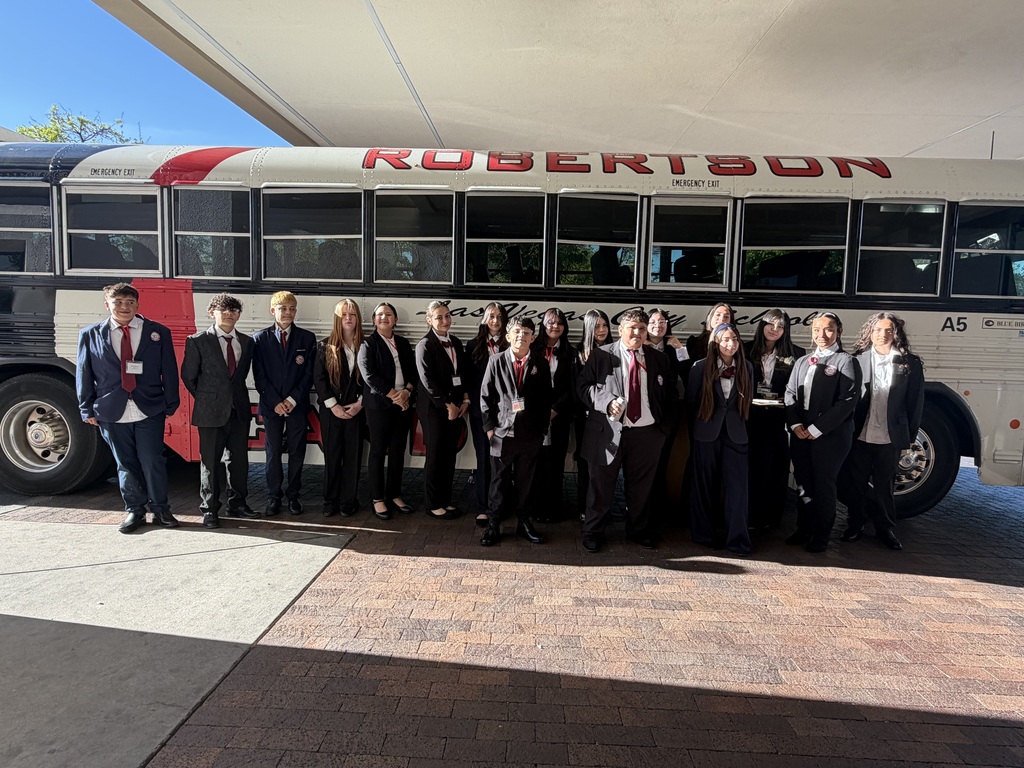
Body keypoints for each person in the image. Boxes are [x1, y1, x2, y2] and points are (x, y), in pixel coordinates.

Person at [76, 282, 180, 533]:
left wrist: (171, 402)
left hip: (149, 407)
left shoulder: (157, 332)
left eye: (130, 302)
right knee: (125, 463)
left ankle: (161, 509)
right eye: (119, 302)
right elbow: (84, 372)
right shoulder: (90, 334)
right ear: (107, 305)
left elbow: (169, 369)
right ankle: (135, 511)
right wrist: (86, 409)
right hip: (111, 408)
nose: (125, 307)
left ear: (138, 305)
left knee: (152, 459)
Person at [577, 309, 676, 552]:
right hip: (607, 433)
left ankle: (638, 530)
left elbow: (671, 396)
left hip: (647, 435)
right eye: (632, 327)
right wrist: (607, 402)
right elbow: (583, 387)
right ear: (620, 330)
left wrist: (662, 431)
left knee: (641, 488)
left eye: (642, 329)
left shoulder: (658, 359)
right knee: (600, 487)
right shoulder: (601, 355)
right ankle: (592, 531)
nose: (637, 333)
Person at [839, 312, 925, 550]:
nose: (883, 334)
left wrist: (907, 437)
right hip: (861, 432)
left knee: (885, 484)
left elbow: (915, 403)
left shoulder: (909, 363)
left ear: (895, 333)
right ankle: (855, 524)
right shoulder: (857, 360)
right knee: (856, 483)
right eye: (878, 330)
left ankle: (885, 528)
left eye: (888, 330)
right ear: (870, 332)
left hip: (890, 435)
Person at [784, 312, 861, 553]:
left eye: (828, 329)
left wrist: (816, 429)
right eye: (816, 330)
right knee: (803, 482)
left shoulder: (846, 361)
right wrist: (796, 425)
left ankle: (821, 534)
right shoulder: (803, 361)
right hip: (801, 433)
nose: (822, 335)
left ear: (839, 331)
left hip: (831, 435)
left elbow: (847, 401)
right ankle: (803, 528)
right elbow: (790, 394)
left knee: (823, 483)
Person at [182, 293, 256, 528]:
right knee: (211, 463)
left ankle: (238, 503)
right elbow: (189, 377)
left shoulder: (246, 342)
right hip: (210, 412)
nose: (229, 314)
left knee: (240, 462)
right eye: (223, 310)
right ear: (211, 313)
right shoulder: (198, 341)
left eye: (234, 310)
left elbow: (241, 376)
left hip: (239, 411)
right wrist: (208, 399)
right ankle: (210, 509)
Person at [479, 316, 552, 546]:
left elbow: (545, 401)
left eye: (527, 332)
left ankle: (524, 522)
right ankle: (494, 524)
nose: (522, 336)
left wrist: (541, 432)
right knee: (498, 482)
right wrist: (490, 430)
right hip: (502, 435)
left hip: (530, 437)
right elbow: (485, 398)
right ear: (508, 336)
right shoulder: (496, 362)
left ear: (533, 337)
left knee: (526, 482)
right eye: (517, 332)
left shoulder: (541, 364)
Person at [687, 323, 754, 556]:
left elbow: (748, 402)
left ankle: (738, 539)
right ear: (715, 343)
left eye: (734, 339)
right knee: (703, 486)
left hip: (736, 435)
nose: (730, 344)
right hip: (706, 433)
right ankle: (703, 534)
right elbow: (691, 403)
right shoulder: (699, 368)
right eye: (725, 339)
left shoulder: (746, 367)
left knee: (738, 488)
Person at [252, 291, 315, 517]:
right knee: (273, 451)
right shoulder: (259, 339)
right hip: (271, 407)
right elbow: (259, 376)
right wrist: (275, 401)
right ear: (273, 311)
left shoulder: (307, 338)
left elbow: (308, 375)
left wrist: (291, 400)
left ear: (296, 311)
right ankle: (273, 496)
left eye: (291, 309)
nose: (287, 313)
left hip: (296, 405)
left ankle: (294, 496)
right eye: (282, 309)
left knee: (297, 452)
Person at [357, 301, 418, 520]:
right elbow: (369, 376)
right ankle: (377, 498)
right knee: (377, 451)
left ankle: (394, 494)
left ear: (395, 320)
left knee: (397, 451)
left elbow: (413, 371)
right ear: (374, 320)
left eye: (389, 314)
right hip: (380, 406)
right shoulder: (368, 345)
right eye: (380, 314)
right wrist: (394, 395)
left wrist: (407, 393)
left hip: (403, 404)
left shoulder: (403, 343)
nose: (384, 317)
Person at [745, 309, 805, 530]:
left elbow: (799, 390)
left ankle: (770, 520)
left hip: (779, 420)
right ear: (762, 325)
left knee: (775, 469)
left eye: (780, 326)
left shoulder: (797, 354)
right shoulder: (746, 349)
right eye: (771, 324)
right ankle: (750, 516)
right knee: (753, 469)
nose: (775, 329)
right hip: (751, 418)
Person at [415, 299, 468, 519]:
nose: (444, 320)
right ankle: (433, 504)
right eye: (439, 317)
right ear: (429, 320)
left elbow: (462, 372)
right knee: (436, 456)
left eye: (447, 316)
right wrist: (447, 405)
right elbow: (428, 381)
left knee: (449, 456)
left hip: (456, 407)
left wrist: (465, 399)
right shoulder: (424, 345)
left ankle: (445, 501)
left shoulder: (455, 341)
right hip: (435, 409)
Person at [314, 299, 365, 518]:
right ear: (337, 318)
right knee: (332, 456)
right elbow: (319, 379)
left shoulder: (366, 345)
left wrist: (360, 404)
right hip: (331, 412)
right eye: (343, 314)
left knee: (353, 458)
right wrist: (333, 405)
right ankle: (330, 501)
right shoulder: (325, 346)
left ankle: (348, 501)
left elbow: (372, 379)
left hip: (357, 411)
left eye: (352, 314)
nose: (348, 318)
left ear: (358, 319)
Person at [465, 302, 510, 526]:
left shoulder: (511, 344)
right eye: (491, 316)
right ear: (484, 319)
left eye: (499, 317)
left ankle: (502, 504)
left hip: (506, 414)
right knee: (483, 458)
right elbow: (467, 380)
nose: (495, 321)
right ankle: (483, 506)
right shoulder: (473, 345)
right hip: (480, 413)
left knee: (504, 460)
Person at [530, 307, 575, 522]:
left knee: (556, 462)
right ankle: (535, 507)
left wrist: (555, 409)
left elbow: (571, 387)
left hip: (559, 416)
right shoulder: (532, 349)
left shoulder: (570, 353)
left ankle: (553, 508)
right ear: (542, 325)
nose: (554, 326)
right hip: (534, 417)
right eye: (550, 322)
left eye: (559, 323)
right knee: (535, 461)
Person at [573, 309, 610, 522]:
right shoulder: (578, 355)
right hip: (586, 418)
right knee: (586, 464)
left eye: (604, 325)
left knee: (606, 465)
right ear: (588, 328)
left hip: (610, 418)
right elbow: (577, 388)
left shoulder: (614, 351)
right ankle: (585, 508)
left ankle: (603, 507)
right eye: (596, 326)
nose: (602, 330)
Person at [682, 302, 734, 380]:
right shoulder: (694, 342)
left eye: (726, 316)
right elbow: (686, 371)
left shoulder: (736, 344)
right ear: (710, 318)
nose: (722, 319)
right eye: (718, 315)